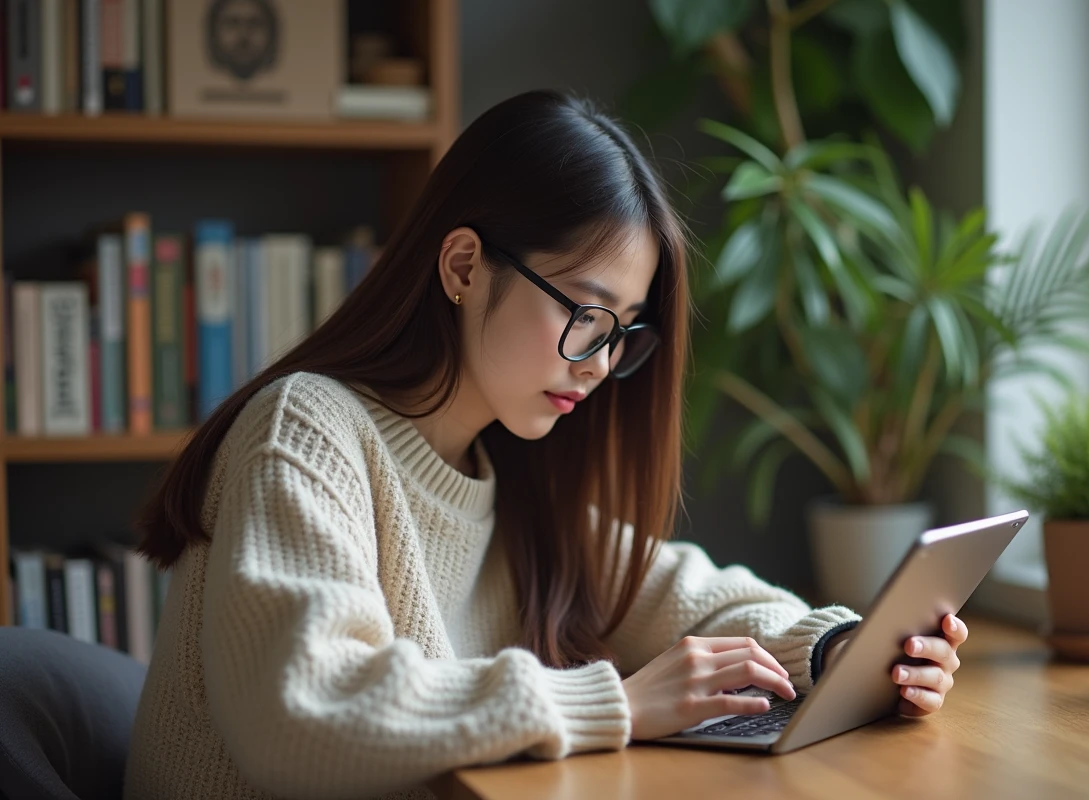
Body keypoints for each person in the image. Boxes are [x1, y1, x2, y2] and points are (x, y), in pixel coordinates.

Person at [122, 90, 968, 800]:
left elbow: (685, 594)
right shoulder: (306, 428)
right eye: (584, 314)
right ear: (463, 267)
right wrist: (614, 706)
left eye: (622, 332)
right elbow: (304, 712)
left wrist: (838, 651)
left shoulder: (504, 473)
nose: (598, 363)